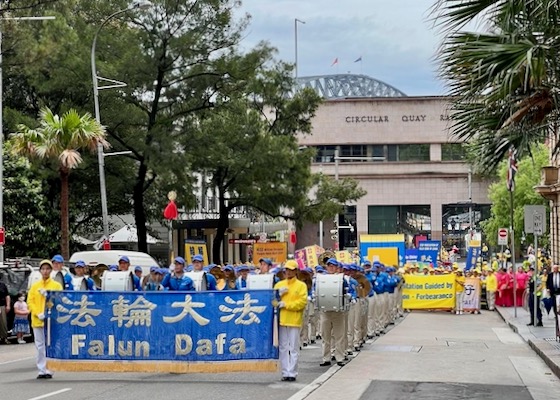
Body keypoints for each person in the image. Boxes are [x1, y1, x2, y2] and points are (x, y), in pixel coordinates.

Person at [273, 260, 308, 382]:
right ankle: (285, 372)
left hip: (294, 319)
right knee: (283, 347)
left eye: (291, 269)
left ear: (296, 271)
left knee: (293, 347)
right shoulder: (279, 285)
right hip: (281, 320)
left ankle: (292, 372)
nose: (288, 272)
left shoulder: (301, 285)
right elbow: (272, 302)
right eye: (286, 269)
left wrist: (286, 304)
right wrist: (277, 295)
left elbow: (302, 303)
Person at [28, 260, 62, 379]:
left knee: (50, 344)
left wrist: (49, 297)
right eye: (43, 269)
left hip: (51, 320)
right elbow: (30, 301)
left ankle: (50, 369)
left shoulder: (56, 285)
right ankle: (41, 369)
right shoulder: (35, 286)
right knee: (40, 345)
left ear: (51, 270)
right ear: (40, 271)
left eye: (48, 269)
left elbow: (59, 301)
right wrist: (38, 313)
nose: (45, 271)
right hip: (38, 319)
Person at [0, 280, 11, 344]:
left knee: (3, 322)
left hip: (2, 305)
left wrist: (8, 305)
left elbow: (7, 295)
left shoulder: (2, 285)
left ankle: (4, 338)